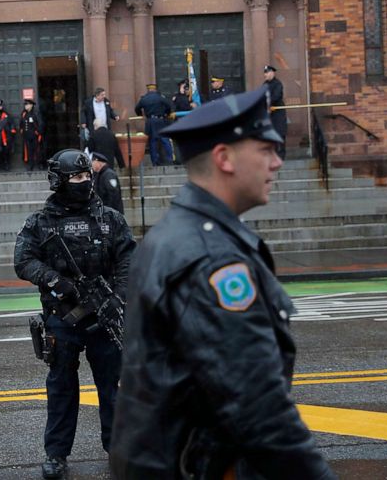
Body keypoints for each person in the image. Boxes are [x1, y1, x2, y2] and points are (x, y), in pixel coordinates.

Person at [110, 87, 335, 480]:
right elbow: (259, 405)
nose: (277, 162)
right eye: (266, 150)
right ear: (224, 158)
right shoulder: (212, 257)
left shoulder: (172, 233)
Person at [14, 149, 136, 480]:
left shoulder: (110, 219)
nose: (85, 182)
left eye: (87, 176)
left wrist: (119, 298)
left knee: (111, 388)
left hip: (105, 316)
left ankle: (117, 451)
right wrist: (54, 279)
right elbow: (23, 261)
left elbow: (129, 260)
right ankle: (56, 455)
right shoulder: (41, 222)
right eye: (77, 178)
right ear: (59, 182)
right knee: (61, 387)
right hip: (63, 317)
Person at [134, 83, 174, 166]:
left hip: (150, 121)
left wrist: (140, 115)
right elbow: (168, 105)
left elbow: (137, 108)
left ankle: (154, 161)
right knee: (165, 140)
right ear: (155, 89)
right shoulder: (160, 97)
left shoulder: (144, 99)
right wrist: (167, 113)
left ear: (148, 90)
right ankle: (169, 159)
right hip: (160, 120)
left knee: (152, 141)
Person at [263, 65, 288, 160]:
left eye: (267, 72)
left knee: (279, 132)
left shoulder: (277, 84)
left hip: (277, 113)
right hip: (268, 113)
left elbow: (276, 96)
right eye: (265, 73)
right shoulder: (264, 84)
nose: (266, 74)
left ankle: (280, 155)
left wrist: (267, 102)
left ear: (273, 73)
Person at [19, 99, 44, 172]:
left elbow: (40, 123)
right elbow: (21, 123)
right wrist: (21, 130)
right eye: (25, 105)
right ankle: (30, 165)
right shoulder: (24, 113)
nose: (26, 106)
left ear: (31, 105)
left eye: (27, 104)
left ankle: (40, 164)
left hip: (35, 135)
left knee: (37, 150)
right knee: (29, 151)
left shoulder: (36, 113)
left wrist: (38, 132)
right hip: (27, 135)